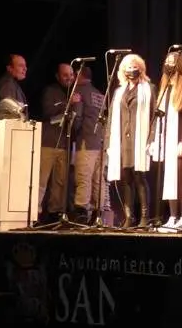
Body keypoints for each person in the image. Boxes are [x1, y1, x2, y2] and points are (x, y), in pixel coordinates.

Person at [106, 54, 155, 228]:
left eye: (134, 66)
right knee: (126, 178)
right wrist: (108, 143)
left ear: (140, 69)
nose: (131, 70)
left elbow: (154, 116)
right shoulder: (119, 92)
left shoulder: (149, 89)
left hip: (139, 139)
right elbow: (111, 118)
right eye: (127, 67)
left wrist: (152, 138)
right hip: (122, 140)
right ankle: (129, 217)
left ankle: (144, 217)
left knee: (139, 176)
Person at [150, 52, 182, 230]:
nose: (168, 65)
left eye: (172, 62)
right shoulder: (164, 85)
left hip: (178, 139)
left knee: (179, 177)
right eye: (166, 61)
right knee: (169, 178)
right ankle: (173, 216)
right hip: (165, 138)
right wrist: (154, 139)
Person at [38, 63, 76, 222]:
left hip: (64, 145)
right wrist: (68, 104)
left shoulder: (74, 92)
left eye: (71, 75)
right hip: (48, 142)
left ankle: (55, 213)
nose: (69, 78)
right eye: (65, 75)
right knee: (41, 180)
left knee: (60, 183)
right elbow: (48, 111)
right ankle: (35, 212)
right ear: (58, 76)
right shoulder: (50, 91)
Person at [72, 66, 107, 223]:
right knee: (99, 179)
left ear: (79, 75)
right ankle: (97, 214)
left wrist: (72, 132)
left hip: (86, 140)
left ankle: (81, 213)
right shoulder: (99, 94)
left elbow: (77, 117)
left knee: (83, 178)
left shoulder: (79, 90)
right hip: (101, 142)